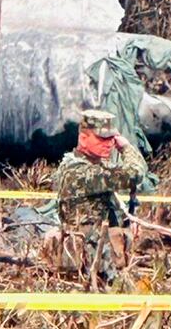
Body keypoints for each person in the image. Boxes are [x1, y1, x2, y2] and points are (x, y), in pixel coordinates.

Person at [52, 107, 151, 285]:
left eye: (111, 139)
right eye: (101, 139)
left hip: (99, 257)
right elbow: (135, 173)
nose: (108, 144)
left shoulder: (93, 166)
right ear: (83, 138)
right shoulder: (80, 171)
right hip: (88, 261)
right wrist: (126, 147)